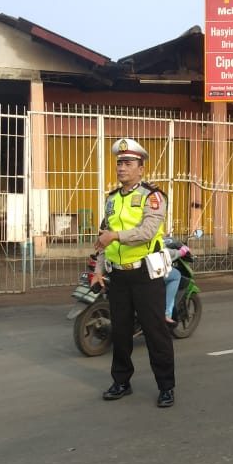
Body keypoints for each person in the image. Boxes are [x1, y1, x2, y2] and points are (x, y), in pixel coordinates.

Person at [92, 138, 176, 408]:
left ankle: (166, 387)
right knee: (121, 332)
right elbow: (104, 237)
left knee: (155, 332)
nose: (121, 168)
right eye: (119, 163)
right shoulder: (112, 200)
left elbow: (147, 232)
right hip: (118, 276)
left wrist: (115, 235)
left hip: (145, 275)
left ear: (141, 168)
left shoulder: (152, 197)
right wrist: (98, 269)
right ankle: (121, 381)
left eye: (128, 163)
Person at [162, 240, 190, 324]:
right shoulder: (151, 230)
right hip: (148, 268)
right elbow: (164, 253)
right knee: (176, 275)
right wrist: (181, 252)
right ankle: (167, 314)